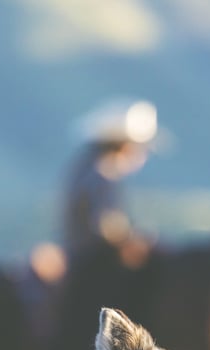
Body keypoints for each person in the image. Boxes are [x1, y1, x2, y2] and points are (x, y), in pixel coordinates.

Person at [61, 98, 158, 269]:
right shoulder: (102, 175)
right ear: (124, 147)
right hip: (93, 264)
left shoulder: (85, 168)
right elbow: (107, 225)